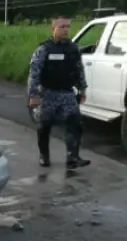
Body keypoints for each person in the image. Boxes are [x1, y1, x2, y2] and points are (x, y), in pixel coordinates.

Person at [28, 17, 91, 169]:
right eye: (62, 27)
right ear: (53, 28)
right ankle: (44, 156)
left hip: (67, 93)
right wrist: (33, 95)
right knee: (44, 126)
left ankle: (72, 157)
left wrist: (82, 89)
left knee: (75, 123)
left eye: (68, 27)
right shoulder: (44, 49)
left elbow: (78, 69)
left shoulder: (73, 48)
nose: (66, 30)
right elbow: (34, 73)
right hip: (48, 93)